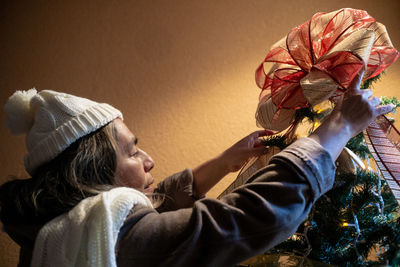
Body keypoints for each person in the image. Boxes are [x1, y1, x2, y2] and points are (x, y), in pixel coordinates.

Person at [0, 69, 394, 267]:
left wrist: (222, 163)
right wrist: (336, 129)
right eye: (132, 152)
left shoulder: (60, 234)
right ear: (93, 173)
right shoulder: (116, 239)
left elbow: (155, 221)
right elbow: (239, 221)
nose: (148, 159)